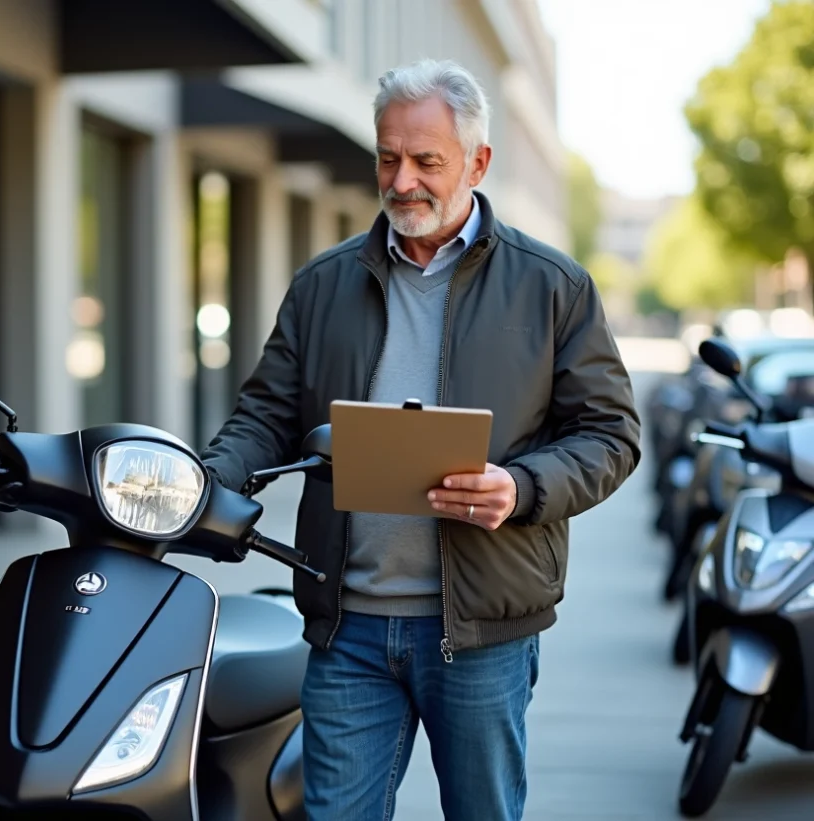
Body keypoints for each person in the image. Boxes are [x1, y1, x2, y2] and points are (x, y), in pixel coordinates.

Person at [200, 59, 641, 821]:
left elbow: (610, 434)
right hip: (348, 628)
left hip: (481, 635)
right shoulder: (322, 285)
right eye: (387, 157)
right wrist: (202, 480)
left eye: (426, 160)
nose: (401, 180)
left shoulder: (552, 286)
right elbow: (264, 414)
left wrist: (524, 487)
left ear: (479, 161)